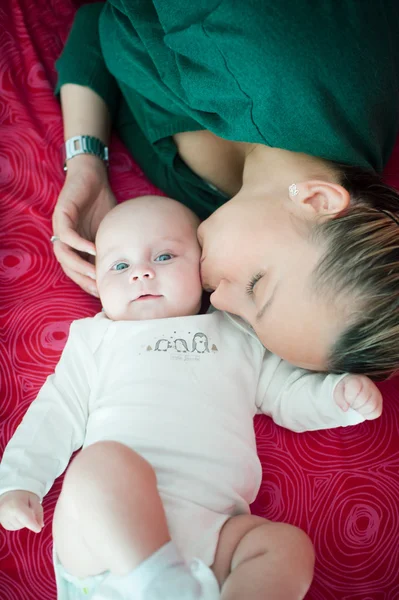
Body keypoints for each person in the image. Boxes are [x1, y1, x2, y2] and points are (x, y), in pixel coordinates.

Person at [0, 197, 382, 600]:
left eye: (164, 255)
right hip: (108, 545)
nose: (141, 273)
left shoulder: (239, 334)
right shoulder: (96, 339)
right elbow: (56, 409)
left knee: (287, 546)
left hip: (216, 531)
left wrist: (337, 399)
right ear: (95, 280)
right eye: (119, 266)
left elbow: (286, 394)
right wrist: (19, 482)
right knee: (100, 465)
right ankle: (157, 582)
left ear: (202, 269)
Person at [51, 1, 399, 380]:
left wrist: (86, 165)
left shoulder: (211, 203)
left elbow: (105, 22)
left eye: (246, 323)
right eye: (256, 285)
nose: (216, 299)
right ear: (317, 200)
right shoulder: (276, 52)